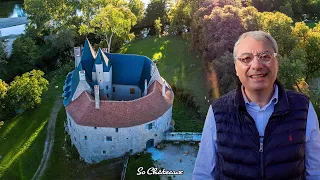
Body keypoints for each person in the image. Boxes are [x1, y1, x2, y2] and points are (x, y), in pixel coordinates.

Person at [193, 31, 320, 180]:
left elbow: (316, 172)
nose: (256, 65)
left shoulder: (303, 107)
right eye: (246, 58)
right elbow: (203, 174)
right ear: (236, 67)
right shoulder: (218, 111)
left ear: (276, 62)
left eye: (265, 56)